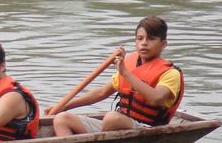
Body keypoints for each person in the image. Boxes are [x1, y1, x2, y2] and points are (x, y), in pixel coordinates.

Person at [53, 16, 184, 135]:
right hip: (115, 126)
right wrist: (65, 106)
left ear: (163, 44)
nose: (144, 43)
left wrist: (125, 73)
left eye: (151, 39)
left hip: (147, 129)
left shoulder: (171, 73)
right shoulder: (128, 64)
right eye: (140, 38)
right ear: (135, 41)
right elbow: (101, 93)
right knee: (62, 118)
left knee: (112, 118)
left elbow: (156, 98)